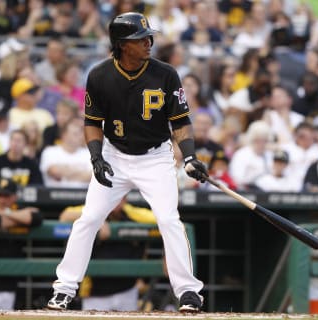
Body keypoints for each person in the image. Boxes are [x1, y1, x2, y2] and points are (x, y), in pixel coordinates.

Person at [46, 12, 207, 313]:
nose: (149, 42)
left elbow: (181, 121)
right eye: (140, 39)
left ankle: (188, 292)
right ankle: (64, 290)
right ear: (121, 44)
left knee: (169, 220)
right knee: (89, 219)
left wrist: (190, 156)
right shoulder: (99, 75)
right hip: (115, 155)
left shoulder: (166, 73)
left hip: (156, 157)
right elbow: (92, 122)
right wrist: (96, 157)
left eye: (148, 36)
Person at [59, 196, 157, 311]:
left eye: (121, 198)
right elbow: (65, 216)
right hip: (95, 291)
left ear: (125, 200)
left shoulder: (130, 212)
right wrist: (96, 219)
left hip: (127, 289)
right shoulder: (94, 209)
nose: (116, 201)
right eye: (113, 196)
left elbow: (160, 219)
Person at [0, 177, 42, 310]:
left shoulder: (13, 208)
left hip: (13, 283)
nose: (2, 200)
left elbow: (36, 218)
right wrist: (19, 219)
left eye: (6, 196)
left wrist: (4, 213)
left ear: (14, 197)